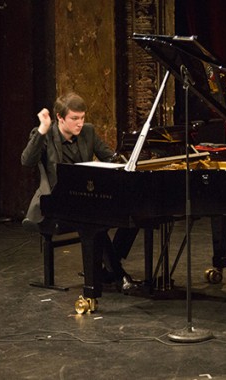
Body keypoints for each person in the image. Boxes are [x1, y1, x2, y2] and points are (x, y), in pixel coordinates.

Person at [21, 92, 138, 291]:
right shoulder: (45, 134)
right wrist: (42, 130)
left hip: (86, 197)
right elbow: (27, 161)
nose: (80, 123)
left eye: (82, 118)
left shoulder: (88, 132)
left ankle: (109, 266)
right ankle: (118, 275)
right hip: (55, 201)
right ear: (60, 117)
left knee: (133, 213)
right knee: (94, 220)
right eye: (74, 118)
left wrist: (124, 165)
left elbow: (109, 157)